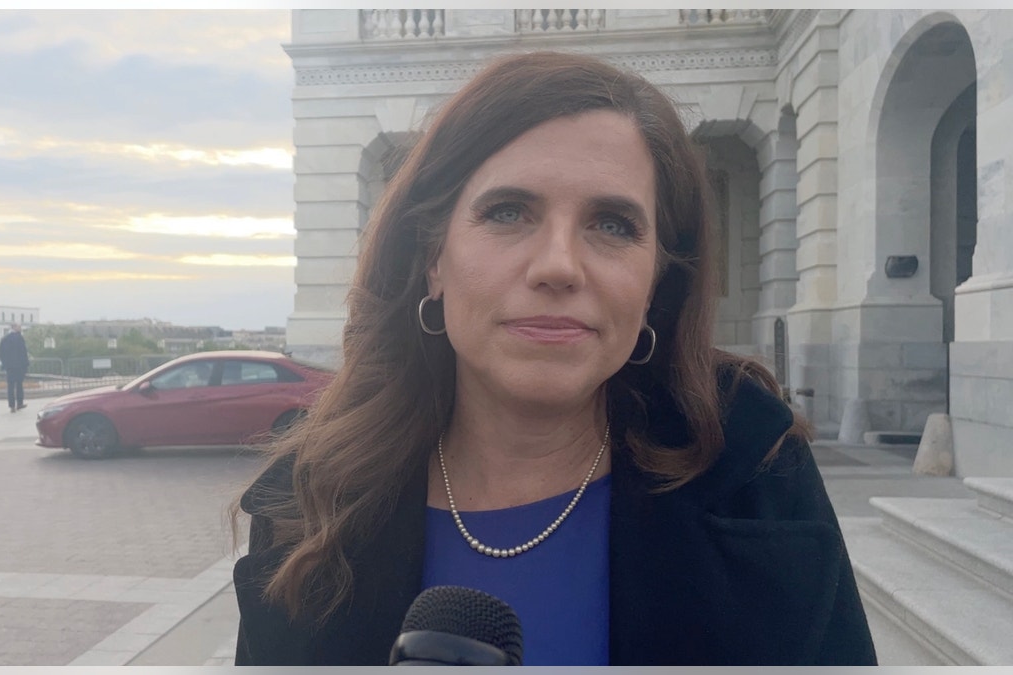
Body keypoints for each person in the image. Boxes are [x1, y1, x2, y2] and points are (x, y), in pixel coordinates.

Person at [232, 51, 877, 666]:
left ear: (655, 280)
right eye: (509, 213)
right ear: (433, 260)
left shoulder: (755, 476)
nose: (559, 266)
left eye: (613, 225)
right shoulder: (313, 501)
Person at [0, 323, 29, 413]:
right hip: (19, 366)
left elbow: (1, 353)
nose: (20, 328)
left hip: (9, 367)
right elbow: (23, 353)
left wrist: (5, 364)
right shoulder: (19, 338)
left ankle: (12, 406)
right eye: (19, 327)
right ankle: (20, 403)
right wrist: (26, 365)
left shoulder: (5, 339)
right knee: (19, 384)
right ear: (14, 328)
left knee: (10, 386)